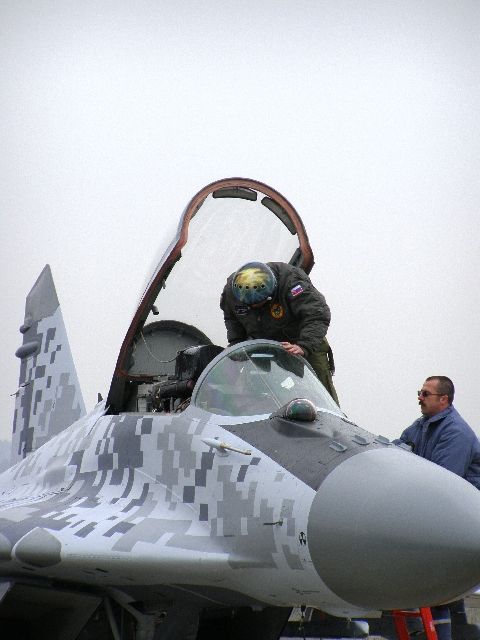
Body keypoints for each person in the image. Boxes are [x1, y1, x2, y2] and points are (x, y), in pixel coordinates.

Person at [398, 376, 480, 640]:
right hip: (435, 519)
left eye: (426, 394)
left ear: (443, 400)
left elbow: (441, 484)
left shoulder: (456, 433)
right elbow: (398, 451)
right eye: (420, 392)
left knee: (439, 596)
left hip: (454, 524)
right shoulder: (422, 426)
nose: (419, 398)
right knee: (437, 597)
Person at [220, 261, 339, 405]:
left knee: (321, 390)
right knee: (253, 388)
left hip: (304, 340)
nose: (255, 307)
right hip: (262, 343)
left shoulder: (292, 282)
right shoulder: (231, 292)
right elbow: (232, 319)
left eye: (260, 304)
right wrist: (237, 344)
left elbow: (317, 314)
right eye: (250, 306)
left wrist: (304, 346)